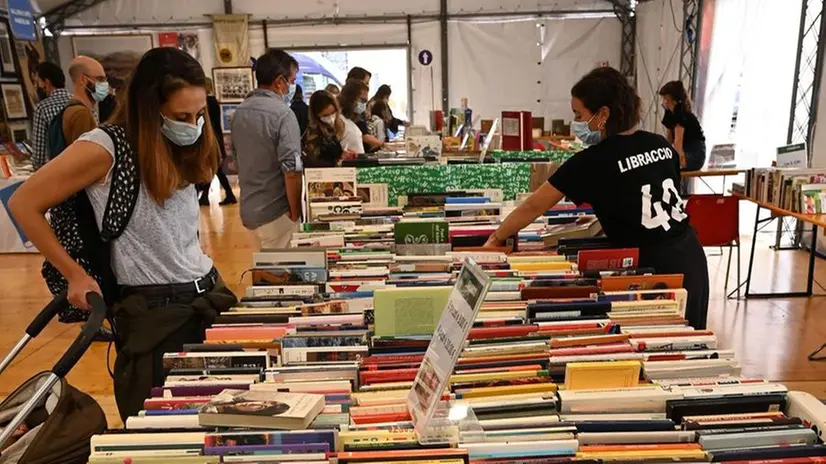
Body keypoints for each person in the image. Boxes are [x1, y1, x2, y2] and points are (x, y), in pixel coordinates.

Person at [8, 47, 237, 421]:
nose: (193, 124)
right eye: (181, 116)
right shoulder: (106, 146)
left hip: (208, 293)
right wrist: (74, 274)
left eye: (198, 115)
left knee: (222, 421)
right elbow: (23, 203)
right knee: (166, 428)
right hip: (155, 315)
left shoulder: (177, 145)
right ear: (149, 108)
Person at [484, 66, 710, 330]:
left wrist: (496, 238)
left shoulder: (591, 161)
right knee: (685, 346)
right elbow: (641, 196)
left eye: (579, 114)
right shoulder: (660, 144)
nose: (576, 124)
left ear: (603, 114)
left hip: (653, 272)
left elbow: (535, 205)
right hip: (691, 256)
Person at [232, 49, 303, 250]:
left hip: (250, 210)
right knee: (283, 274)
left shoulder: (240, 112)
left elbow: (237, 159)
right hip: (276, 211)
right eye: (292, 80)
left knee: (262, 270)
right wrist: (295, 213)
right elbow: (292, 170)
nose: (292, 86)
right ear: (280, 81)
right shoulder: (283, 114)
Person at [198, 77, 237, 206]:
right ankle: (224, 194)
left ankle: (207, 195)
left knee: (214, 168)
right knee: (215, 169)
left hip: (210, 140)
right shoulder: (213, 101)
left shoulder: (207, 102)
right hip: (215, 139)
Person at [30, 61, 71, 170]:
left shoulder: (42, 108)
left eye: (38, 81)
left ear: (46, 83)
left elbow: (39, 155)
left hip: (58, 170)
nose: (37, 86)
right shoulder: (80, 102)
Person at [659, 81, 706, 172]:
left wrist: (674, 163)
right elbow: (669, 140)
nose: (664, 101)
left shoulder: (682, 116)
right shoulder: (671, 114)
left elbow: (677, 143)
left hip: (694, 154)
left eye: (666, 98)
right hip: (685, 152)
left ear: (674, 100)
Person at [64, 56, 108, 145]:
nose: (105, 84)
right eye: (100, 79)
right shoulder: (81, 114)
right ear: (83, 80)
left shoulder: (76, 110)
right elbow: (84, 155)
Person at [302, 90, 347, 167]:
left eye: (333, 113)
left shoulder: (331, 129)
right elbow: (313, 162)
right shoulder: (313, 134)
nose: (331, 118)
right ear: (317, 116)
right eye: (325, 115)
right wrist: (337, 162)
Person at [339, 79, 382, 153]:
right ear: (351, 98)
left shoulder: (353, 119)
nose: (363, 105)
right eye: (362, 100)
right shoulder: (340, 119)